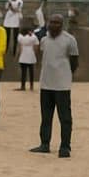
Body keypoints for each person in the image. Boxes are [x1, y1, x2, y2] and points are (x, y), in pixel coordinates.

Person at [31, 14, 79, 157]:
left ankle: (65, 147)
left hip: (62, 86)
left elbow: (74, 62)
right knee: (46, 117)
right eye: (51, 22)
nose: (53, 25)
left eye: (57, 23)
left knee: (65, 118)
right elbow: (42, 57)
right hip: (46, 85)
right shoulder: (44, 40)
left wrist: (65, 74)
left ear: (62, 24)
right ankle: (44, 144)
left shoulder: (70, 40)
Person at [16, 23, 39, 91]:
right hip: (31, 54)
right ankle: (31, 86)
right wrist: (36, 55)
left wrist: (18, 55)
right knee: (31, 72)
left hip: (23, 54)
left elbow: (19, 47)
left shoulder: (20, 36)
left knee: (23, 72)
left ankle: (23, 86)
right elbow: (36, 46)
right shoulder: (34, 37)